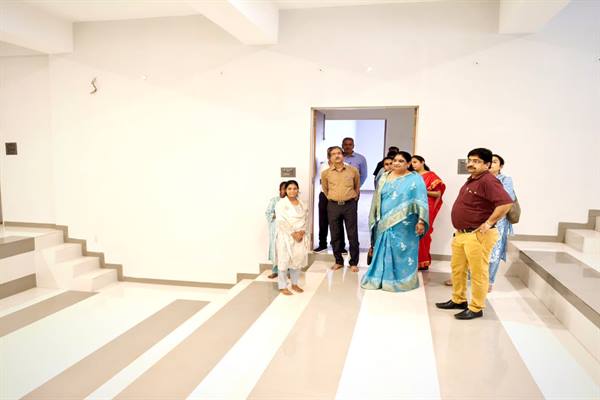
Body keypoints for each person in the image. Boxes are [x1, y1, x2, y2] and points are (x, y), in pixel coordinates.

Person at [436, 148, 513, 320]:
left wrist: (489, 222)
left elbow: (506, 203)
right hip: (462, 234)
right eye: (470, 160)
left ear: (487, 164)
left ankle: (476, 307)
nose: (471, 164)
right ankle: (458, 300)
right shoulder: (472, 180)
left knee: (478, 273)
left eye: (477, 161)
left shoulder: (488, 181)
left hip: (477, 235)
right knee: (458, 269)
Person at [361, 151, 429, 292]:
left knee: (401, 249)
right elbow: (377, 198)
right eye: (395, 161)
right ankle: (380, 278)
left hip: (405, 223)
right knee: (383, 246)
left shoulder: (415, 179)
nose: (397, 163)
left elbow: (421, 201)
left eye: (401, 161)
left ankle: (402, 280)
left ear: (408, 164)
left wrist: (421, 221)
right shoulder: (384, 176)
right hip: (384, 220)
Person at [321, 146, 361, 272]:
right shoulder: (325, 173)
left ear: (343, 155)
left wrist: (353, 198)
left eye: (339, 153)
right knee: (335, 234)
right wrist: (332, 198)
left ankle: (353, 262)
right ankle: (338, 261)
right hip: (333, 205)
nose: (337, 155)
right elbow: (325, 190)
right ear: (330, 158)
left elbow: (357, 187)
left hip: (350, 205)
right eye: (333, 154)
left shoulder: (353, 170)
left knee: (352, 234)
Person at [411, 155, 446, 271]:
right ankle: (412, 261)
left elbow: (438, 194)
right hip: (413, 207)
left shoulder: (431, 176)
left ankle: (423, 261)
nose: (413, 164)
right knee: (412, 232)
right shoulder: (411, 176)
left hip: (426, 207)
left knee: (424, 233)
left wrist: (422, 191)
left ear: (422, 162)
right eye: (411, 163)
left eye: (415, 162)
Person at [488, 154, 516, 292]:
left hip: (498, 219)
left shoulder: (506, 180)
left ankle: (489, 281)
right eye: (489, 162)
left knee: (495, 250)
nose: (491, 164)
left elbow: (507, 198)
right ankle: (468, 276)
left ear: (501, 166)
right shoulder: (480, 178)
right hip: (480, 218)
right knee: (474, 247)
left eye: (494, 162)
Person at [275, 180, 307, 295]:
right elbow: (281, 221)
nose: (292, 191)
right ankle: (282, 286)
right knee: (284, 260)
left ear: (298, 190)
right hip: (285, 235)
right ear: (285, 190)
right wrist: (293, 234)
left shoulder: (302, 204)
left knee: (297, 259)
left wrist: (302, 232)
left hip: (300, 235)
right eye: (289, 189)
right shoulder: (281, 204)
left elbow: (305, 219)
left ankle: (294, 284)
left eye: (294, 188)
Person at [314, 157, 346, 254]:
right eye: (332, 154)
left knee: (338, 221)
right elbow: (322, 182)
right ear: (329, 157)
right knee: (323, 221)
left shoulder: (345, 166)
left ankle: (340, 246)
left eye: (337, 154)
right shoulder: (323, 166)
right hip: (324, 195)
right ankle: (322, 244)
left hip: (337, 196)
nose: (335, 156)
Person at [265, 182, 287, 279]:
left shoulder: (290, 201)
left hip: (286, 229)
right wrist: (276, 214)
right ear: (280, 190)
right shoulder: (274, 200)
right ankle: (275, 271)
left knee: (286, 250)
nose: (285, 191)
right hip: (276, 229)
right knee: (276, 250)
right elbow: (268, 213)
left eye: (286, 189)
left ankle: (288, 271)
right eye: (283, 189)